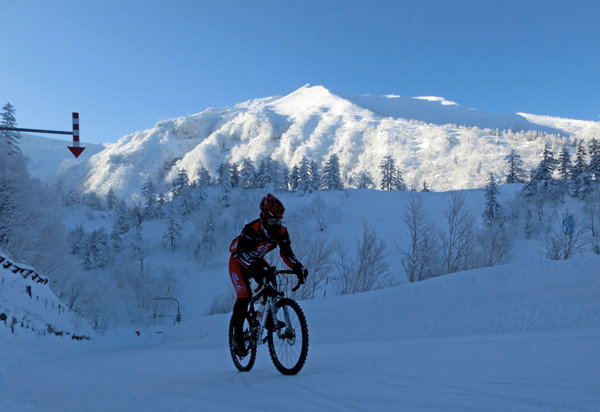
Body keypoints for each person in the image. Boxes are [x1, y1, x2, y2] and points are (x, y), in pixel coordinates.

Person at [228, 193, 307, 356]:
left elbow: (286, 252)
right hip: (238, 261)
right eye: (273, 220)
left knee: (271, 280)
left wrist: (297, 267)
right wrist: (257, 271)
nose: (277, 224)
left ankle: (265, 316)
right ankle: (237, 337)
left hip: (255, 259)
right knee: (244, 295)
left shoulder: (282, 232)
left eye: (280, 220)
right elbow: (243, 255)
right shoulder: (251, 230)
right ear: (263, 218)